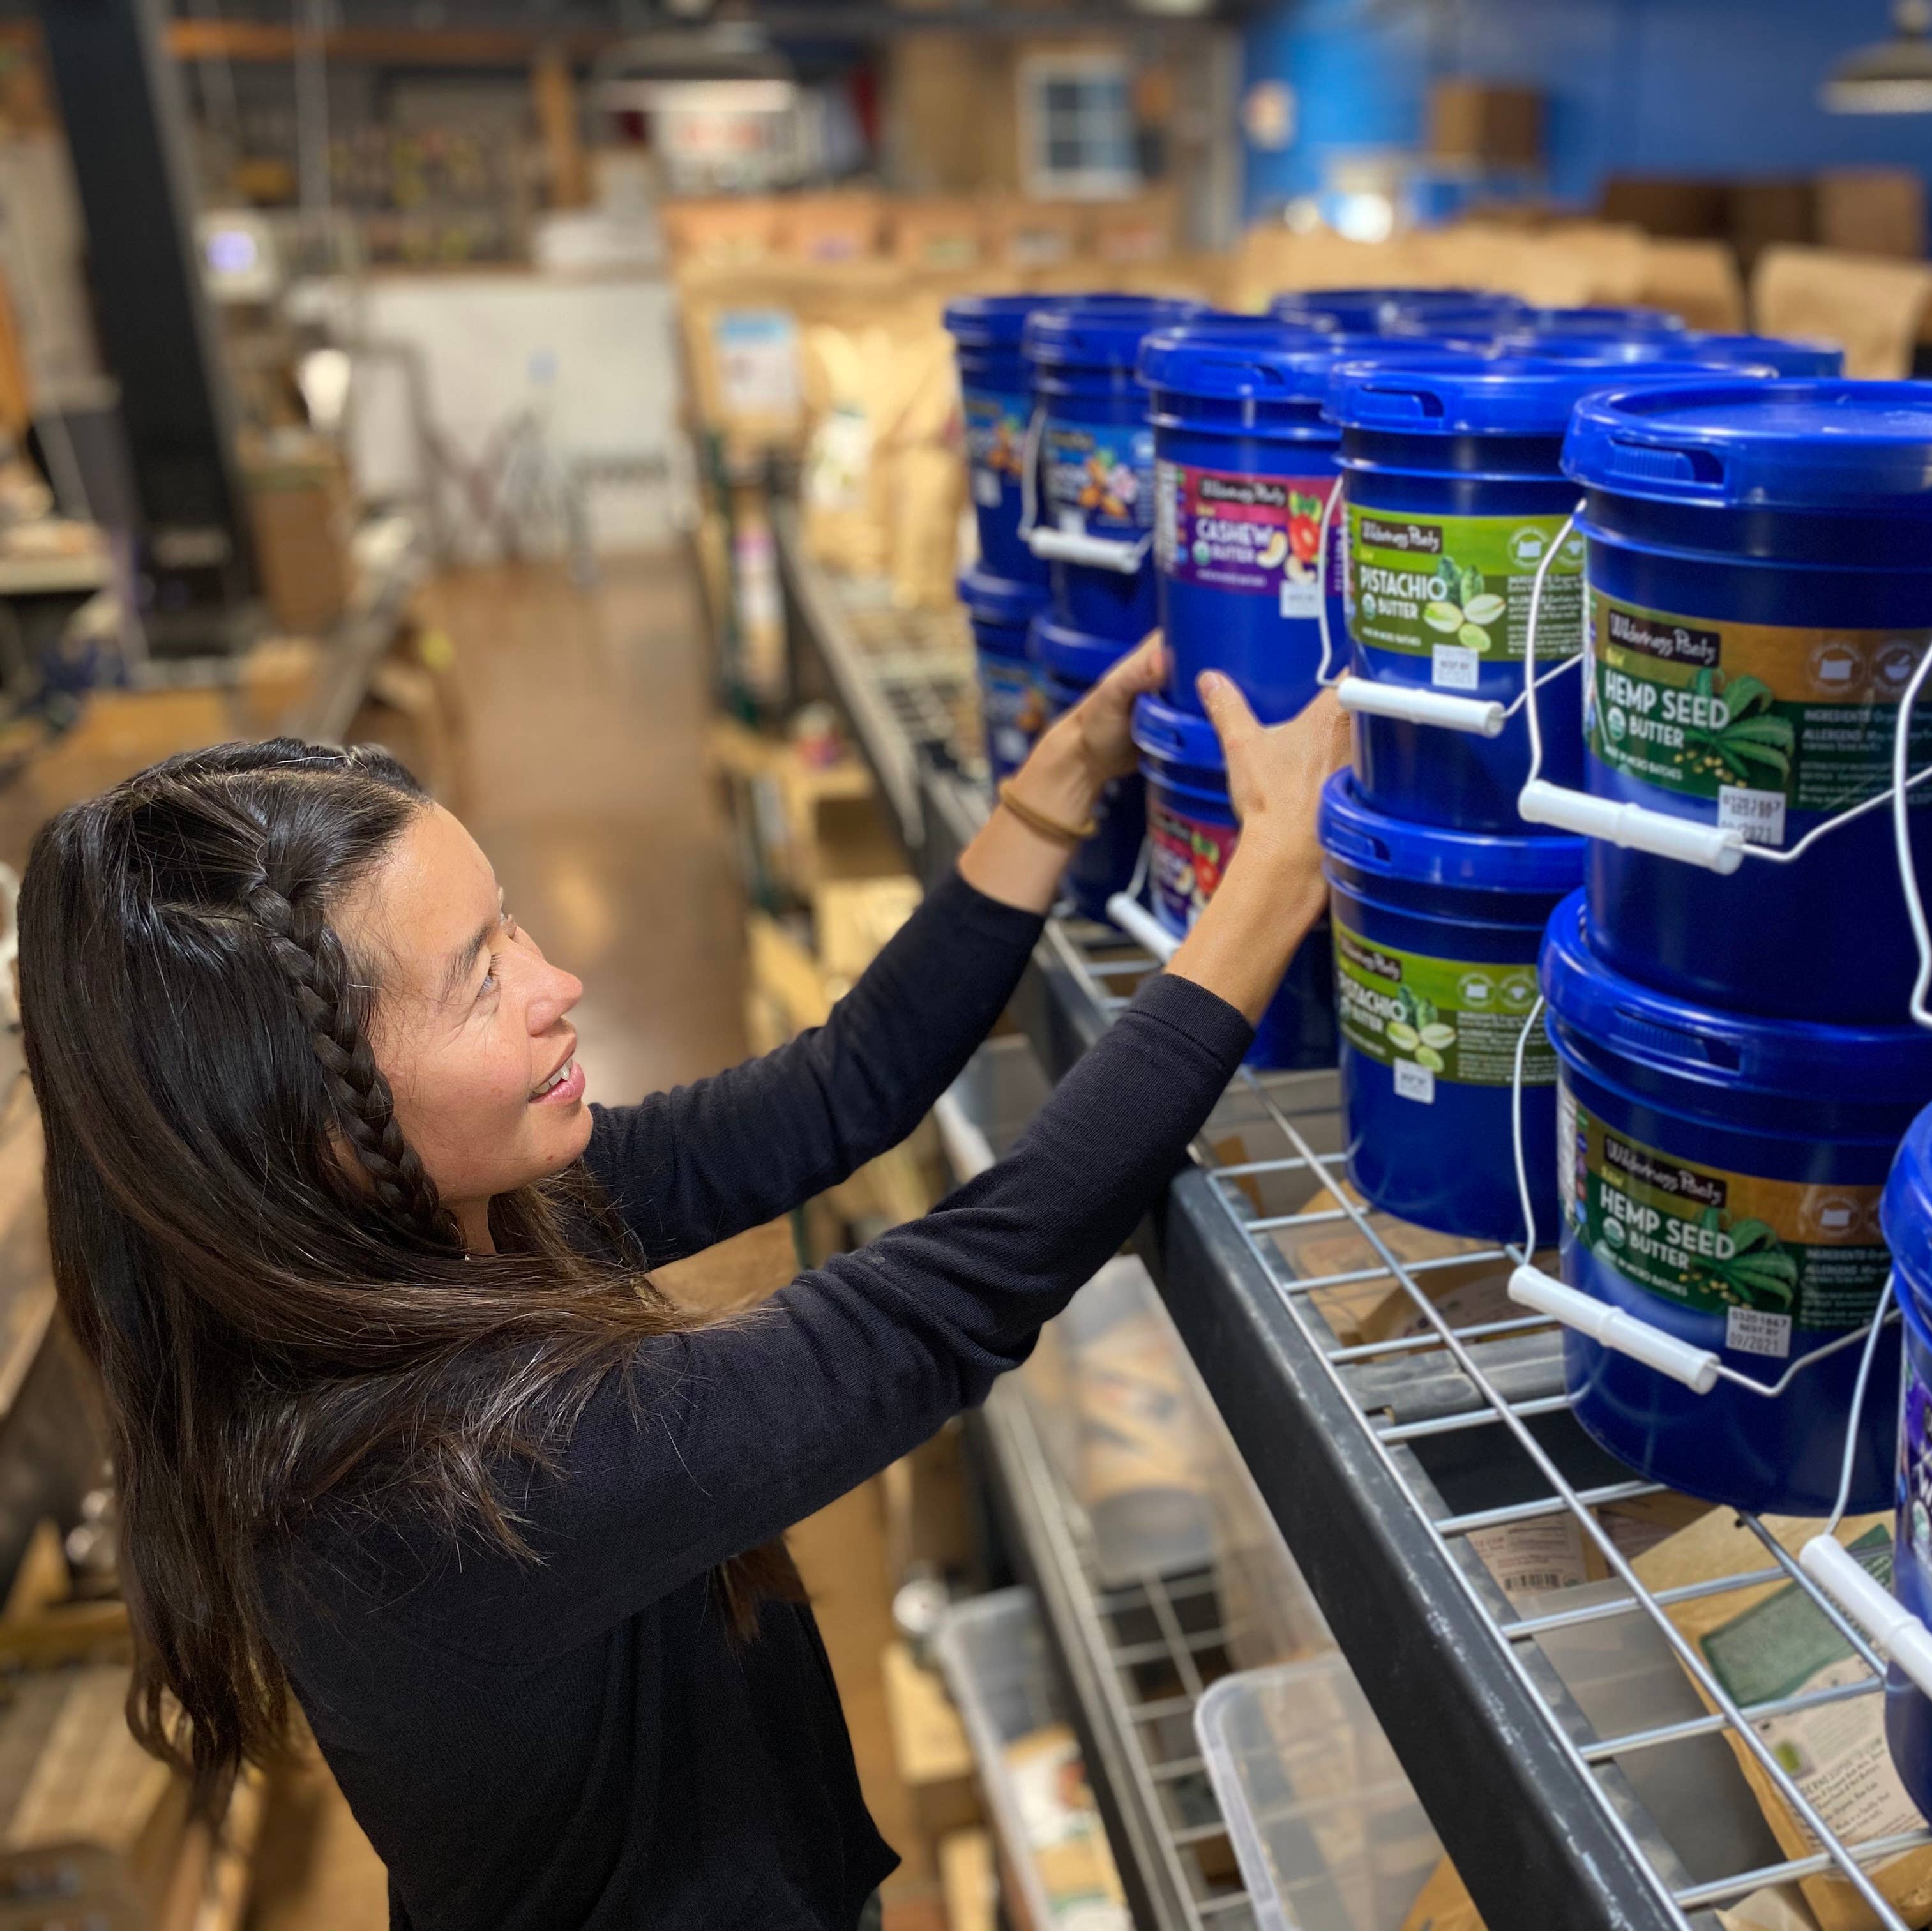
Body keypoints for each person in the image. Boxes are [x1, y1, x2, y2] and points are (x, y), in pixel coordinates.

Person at [16, 638, 1348, 1931]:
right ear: (313, 1126)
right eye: (480, 983)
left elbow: (843, 1087)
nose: (558, 984)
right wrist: (1273, 878)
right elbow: (948, 1300)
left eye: (511, 921)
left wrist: (1054, 789)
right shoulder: (431, 1484)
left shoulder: (455, 1225)